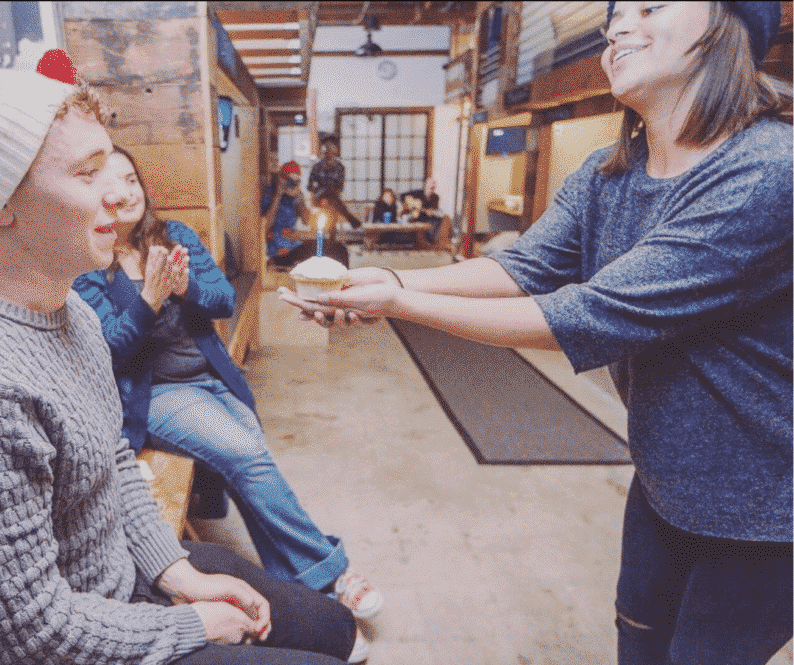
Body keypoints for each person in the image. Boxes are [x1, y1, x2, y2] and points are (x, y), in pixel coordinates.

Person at [283, 2, 792, 663]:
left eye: (651, 5)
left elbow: (589, 314)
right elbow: (522, 267)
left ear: (731, 24)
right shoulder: (610, 175)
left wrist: (398, 303)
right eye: (614, 13)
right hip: (664, 480)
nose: (618, 27)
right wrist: (386, 281)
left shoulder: (767, 170)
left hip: (766, 508)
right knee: (636, 646)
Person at [0, 56, 361, 665]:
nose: (117, 193)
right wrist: (192, 626)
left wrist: (177, 573)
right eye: (88, 174)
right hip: (62, 644)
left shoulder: (73, 315)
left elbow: (110, 459)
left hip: (120, 582)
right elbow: (25, 641)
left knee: (328, 625)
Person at [71, 146, 384, 629]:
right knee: (247, 454)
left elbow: (219, 298)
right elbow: (107, 351)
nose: (125, 192)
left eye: (132, 179)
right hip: (154, 397)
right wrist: (149, 298)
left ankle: (297, 592)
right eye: (110, 185)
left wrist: (182, 286)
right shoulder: (88, 261)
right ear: (93, 195)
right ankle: (332, 575)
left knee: (249, 462)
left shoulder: (172, 235)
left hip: (212, 378)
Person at [262, 160, 349, 267]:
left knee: (340, 249)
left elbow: (307, 221)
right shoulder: (269, 194)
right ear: (282, 178)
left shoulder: (294, 197)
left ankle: (344, 280)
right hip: (277, 251)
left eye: (296, 181)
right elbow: (264, 227)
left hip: (294, 247)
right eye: (289, 180)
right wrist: (278, 195)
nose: (292, 184)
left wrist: (299, 199)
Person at [307, 135, 363, 230]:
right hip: (319, 198)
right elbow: (310, 186)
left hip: (333, 199)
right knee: (332, 199)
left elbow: (340, 187)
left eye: (332, 146)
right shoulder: (316, 167)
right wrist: (318, 195)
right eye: (326, 146)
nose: (329, 149)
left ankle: (331, 239)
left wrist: (329, 193)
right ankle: (351, 219)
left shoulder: (340, 167)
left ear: (335, 150)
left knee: (332, 201)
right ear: (323, 149)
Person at [403, 178, 444, 245]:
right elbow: (402, 195)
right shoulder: (417, 192)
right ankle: (410, 240)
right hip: (416, 215)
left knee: (438, 219)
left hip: (426, 216)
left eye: (432, 188)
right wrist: (411, 203)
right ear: (425, 186)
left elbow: (434, 209)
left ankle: (429, 239)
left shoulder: (436, 197)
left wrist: (431, 212)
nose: (431, 189)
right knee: (410, 218)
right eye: (429, 187)